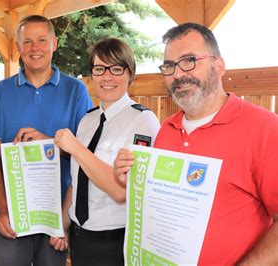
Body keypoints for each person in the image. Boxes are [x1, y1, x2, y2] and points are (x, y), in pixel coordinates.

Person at [114, 22, 278, 265]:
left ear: (219, 65)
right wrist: (132, 179)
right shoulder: (167, 129)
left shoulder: (265, 128)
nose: (178, 74)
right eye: (169, 66)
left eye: (189, 60)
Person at [0, 15, 92, 265]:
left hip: (56, 214)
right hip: (14, 213)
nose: (35, 48)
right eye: (27, 41)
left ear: (54, 43)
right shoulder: (2, 91)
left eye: (42, 40)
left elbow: (85, 155)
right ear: (18, 47)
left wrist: (49, 142)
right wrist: (3, 209)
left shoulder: (76, 91)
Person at [52, 38, 160, 266]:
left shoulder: (144, 121)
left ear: (130, 74)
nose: (107, 77)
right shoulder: (87, 120)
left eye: (116, 69)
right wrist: (62, 225)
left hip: (114, 244)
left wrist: (76, 148)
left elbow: (123, 192)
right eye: (99, 69)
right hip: (80, 239)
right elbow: (77, 180)